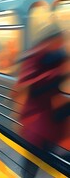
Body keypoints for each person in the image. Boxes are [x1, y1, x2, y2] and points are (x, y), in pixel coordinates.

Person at [15, 23, 67, 178]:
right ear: (51, 39)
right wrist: (55, 75)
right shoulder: (34, 58)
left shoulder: (58, 56)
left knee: (45, 155)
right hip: (37, 120)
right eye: (59, 40)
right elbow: (30, 87)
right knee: (32, 160)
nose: (61, 44)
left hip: (49, 120)